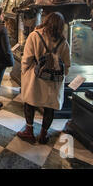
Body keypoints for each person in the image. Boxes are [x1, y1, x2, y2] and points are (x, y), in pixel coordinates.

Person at [17, 12, 71, 144]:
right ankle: (43, 134)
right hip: (53, 81)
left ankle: (29, 131)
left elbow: (27, 58)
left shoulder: (34, 36)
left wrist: (24, 72)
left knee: (30, 103)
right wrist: (61, 75)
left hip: (35, 78)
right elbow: (67, 64)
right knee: (49, 107)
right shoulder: (63, 42)